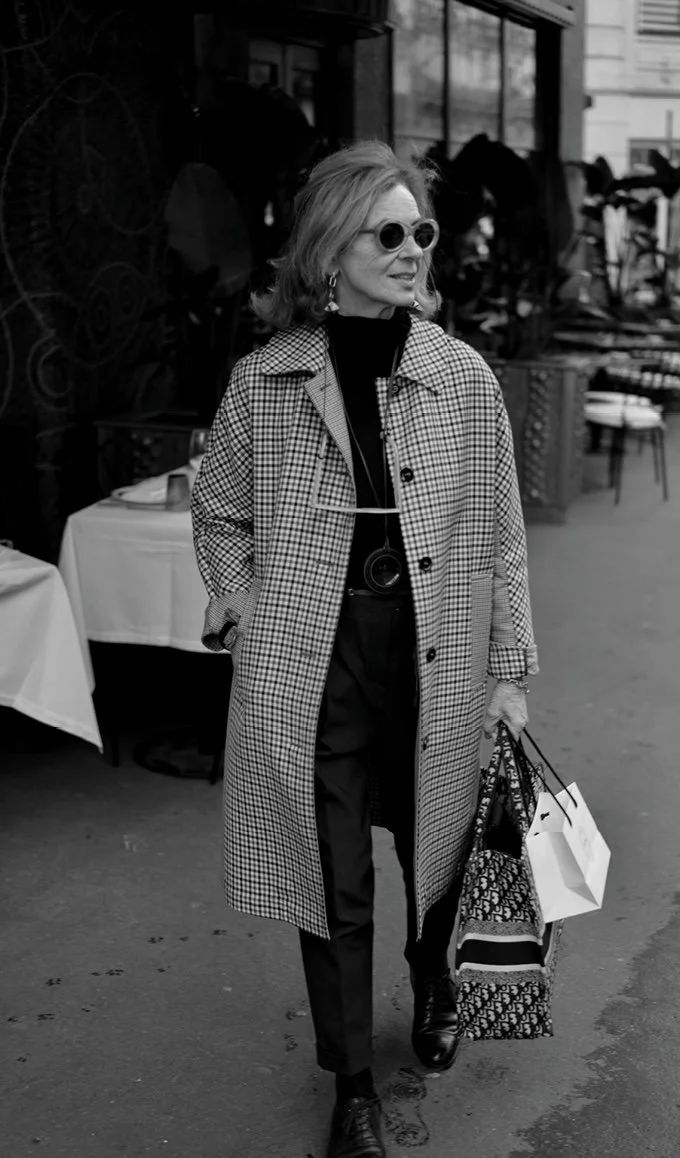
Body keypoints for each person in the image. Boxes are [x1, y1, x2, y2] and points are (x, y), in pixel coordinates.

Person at [191, 141, 538, 1158]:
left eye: (419, 232)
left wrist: (510, 672)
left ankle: (435, 977)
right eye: (386, 232)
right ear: (328, 249)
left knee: (432, 842)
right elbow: (218, 517)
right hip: (310, 651)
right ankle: (351, 1085)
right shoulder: (265, 381)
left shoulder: (461, 378)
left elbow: (502, 535)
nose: (409, 250)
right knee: (328, 870)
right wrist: (242, 606)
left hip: (436, 645)